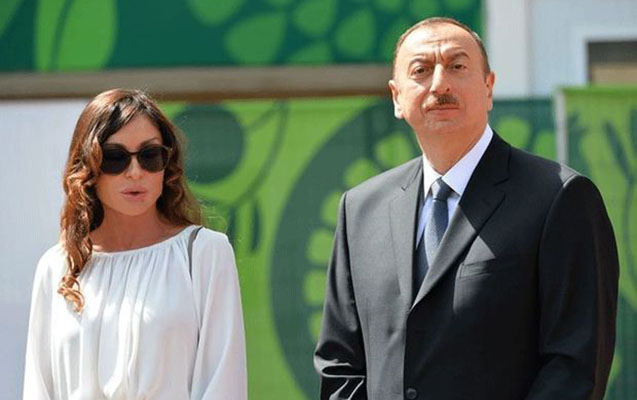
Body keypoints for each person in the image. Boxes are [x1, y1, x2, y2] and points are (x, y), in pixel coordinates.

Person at [314, 17, 619, 400]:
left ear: (488, 87)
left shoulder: (559, 197)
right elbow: (340, 365)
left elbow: (574, 366)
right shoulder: (360, 209)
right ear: (396, 97)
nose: (439, 84)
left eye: (457, 66)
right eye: (421, 70)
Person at [23, 89, 247, 399]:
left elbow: (224, 384)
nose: (135, 172)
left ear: (167, 164)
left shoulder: (204, 253)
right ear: (88, 168)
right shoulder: (57, 266)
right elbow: (38, 387)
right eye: (114, 158)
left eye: (150, 155)